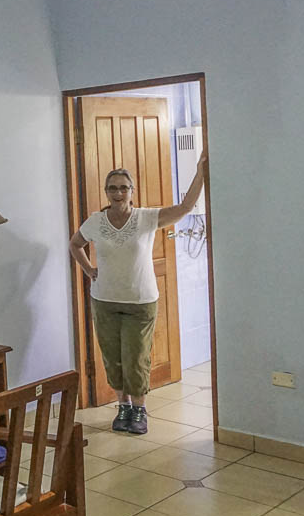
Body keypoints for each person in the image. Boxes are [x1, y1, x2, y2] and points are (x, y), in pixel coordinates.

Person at [69, 150, 207, 434]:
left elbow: (185, 207)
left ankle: (140, 410)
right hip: (104, 300)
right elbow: (75, 244)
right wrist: (89, 270)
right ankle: (123, 407)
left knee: (136, 358)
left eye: (123, 187)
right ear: (106, 192)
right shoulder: (95, 221)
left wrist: (200, 171)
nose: (118, 193)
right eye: (112, 188)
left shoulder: (146, 218)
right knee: (113, 358)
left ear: (132, 191)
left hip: (140, 301)